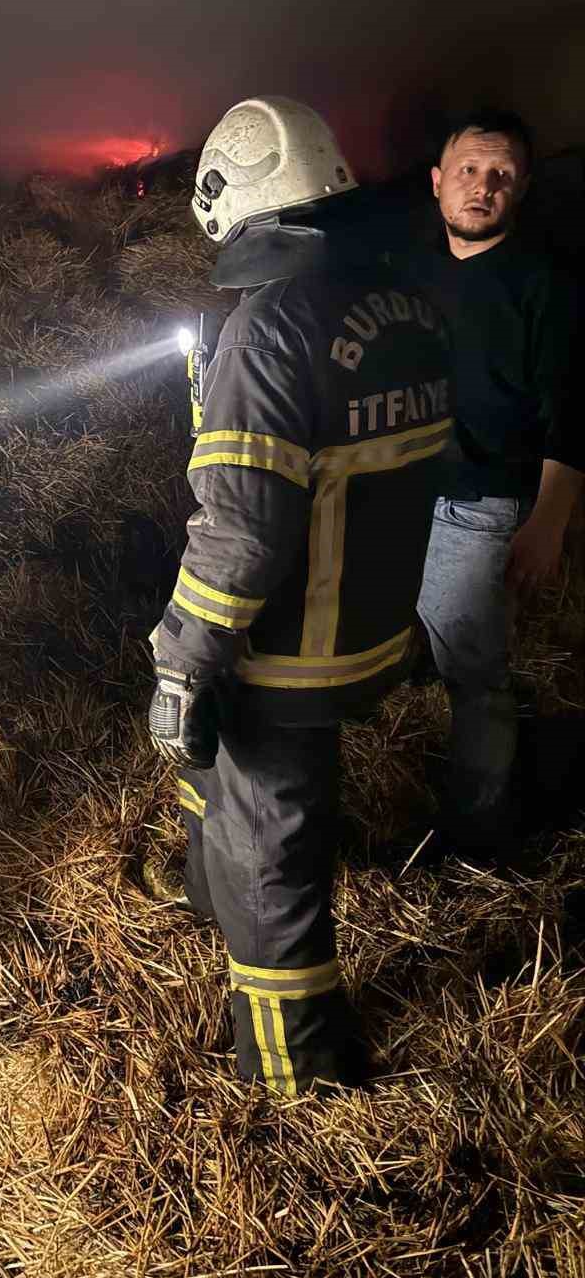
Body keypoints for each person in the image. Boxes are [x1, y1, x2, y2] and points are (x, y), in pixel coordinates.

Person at [147, 96, 452, 1094]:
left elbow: (242, 527)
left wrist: (183, 654)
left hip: (286, 648)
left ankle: (293, 1079)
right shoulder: (404, 300)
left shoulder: (267, 327)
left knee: (274, 858)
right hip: (369, 628)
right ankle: (203, 890)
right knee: (252, 808)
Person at [413, 110, 583, 859]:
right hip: (402, 495)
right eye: (470, 171)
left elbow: (573, 409)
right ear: (439, 181)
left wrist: (547, 521)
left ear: (521, 189)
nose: (483, 187)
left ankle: (478, 838)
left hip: (480, 508)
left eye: (501, 175)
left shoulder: (544, 286)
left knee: (474, 677)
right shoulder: (414, 274)